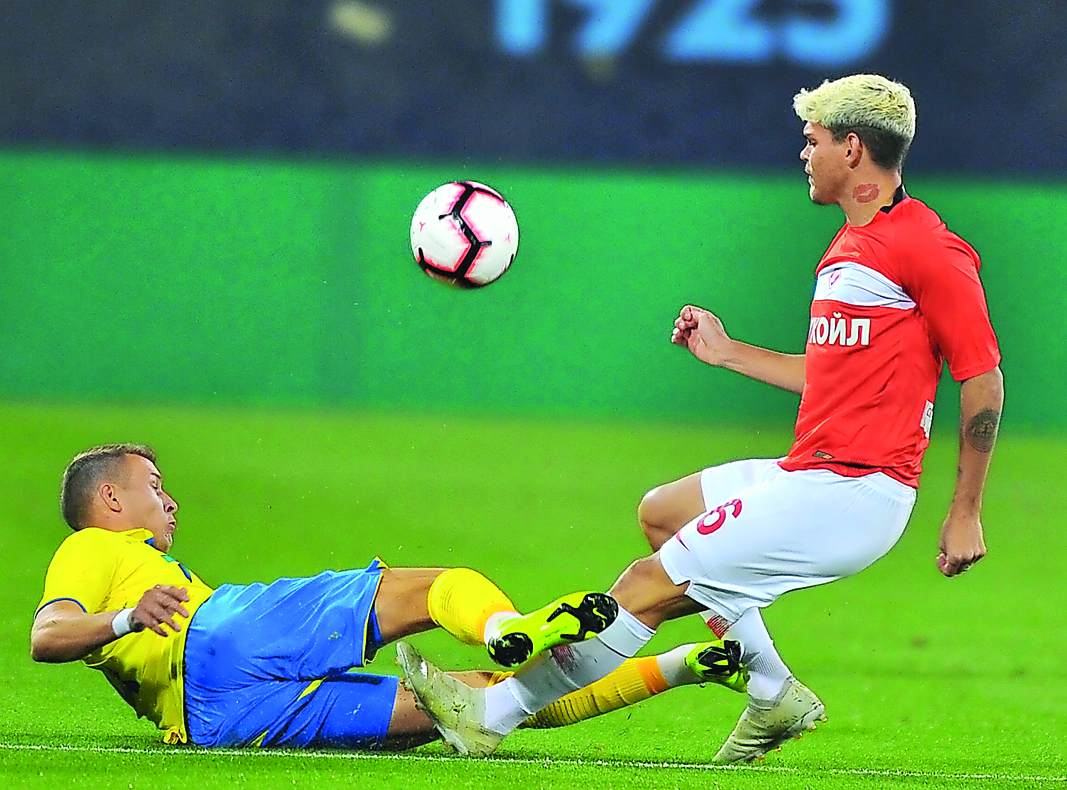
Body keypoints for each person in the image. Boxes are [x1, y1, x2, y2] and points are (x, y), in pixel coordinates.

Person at [397, 73, 1005, 763]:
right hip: (811, 471)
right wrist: (726, 353)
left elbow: (981, 378)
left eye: (811, 141)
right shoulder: (848, 247)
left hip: (851, 491)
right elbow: (829, 376)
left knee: (644, 586)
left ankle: (491, 715)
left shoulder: (927, 248)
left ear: (852, 148)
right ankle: (773, 689)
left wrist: (964, 511)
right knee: (663, 513)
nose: (802, 155)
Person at [30, 443, 744, 749]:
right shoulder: (93, 546)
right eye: (155, 488)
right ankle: (505, 623)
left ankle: (679, 666)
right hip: (218, 635)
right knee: (431, 588)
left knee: (480, 705)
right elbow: (47, 637)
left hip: (215, 721)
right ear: (112, 499)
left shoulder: (151, 567)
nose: (171, 500)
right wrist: (126, 616)